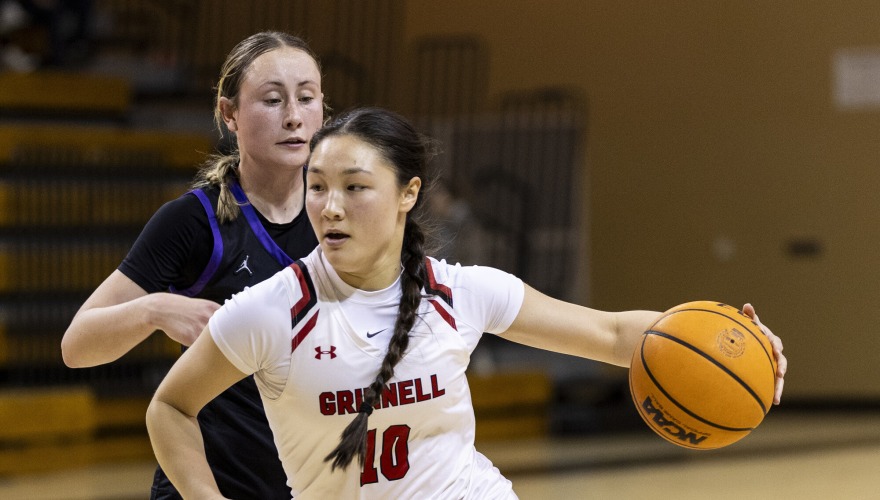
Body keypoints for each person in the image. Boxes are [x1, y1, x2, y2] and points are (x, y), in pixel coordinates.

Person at [146, 107, 788, 499]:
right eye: (316, 187)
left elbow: (617, 335)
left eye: (354, 186)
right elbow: (171, 407)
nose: (330, 205)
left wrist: (733, 339)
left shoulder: (463, 293)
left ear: (407, 194)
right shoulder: (267, 311)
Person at [61, 31, 326, 499]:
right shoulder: (196, 220)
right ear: (230, 114)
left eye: (306, 98)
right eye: (271, 100)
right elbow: (77, 346)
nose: (293, 117)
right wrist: (155, 309)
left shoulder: (341, 215)